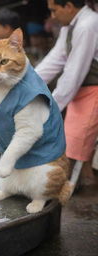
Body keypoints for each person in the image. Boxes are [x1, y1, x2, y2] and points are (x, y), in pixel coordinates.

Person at [35, 0, 98, 185]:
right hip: (81, 93)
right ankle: (85, 184)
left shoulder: (88, 24)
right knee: (74, 146)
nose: (52, 16)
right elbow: (53, 62)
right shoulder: (69, 28)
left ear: (69, 6)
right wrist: (23, 86)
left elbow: (74, 72)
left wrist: (50, 105)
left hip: (93, 92)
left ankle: (70, 190)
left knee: (74, 147)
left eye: (54, 10)